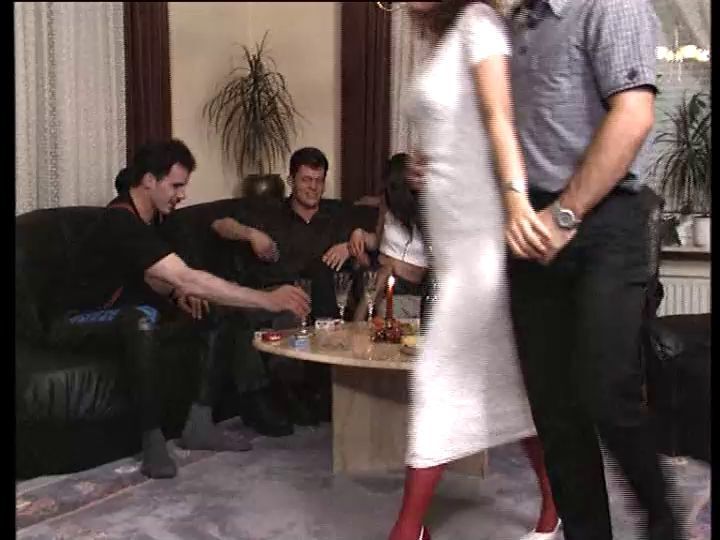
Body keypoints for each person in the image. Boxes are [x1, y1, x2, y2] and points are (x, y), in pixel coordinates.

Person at [507, 1, 683, 539]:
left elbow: (634, 115)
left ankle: (664, 527)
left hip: (605, 218)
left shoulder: (611, 4)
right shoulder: (519, 20)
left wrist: (566, 214)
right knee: (555, 412)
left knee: (606, 390)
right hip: (533, 225)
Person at [387, 2, 560, 540]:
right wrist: (429, 164)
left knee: (435, 376)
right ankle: (555, 504)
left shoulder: (480, 23)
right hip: (453, 244)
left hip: (483, 240)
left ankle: (407, 530)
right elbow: (459, 130)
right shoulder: (446, 38)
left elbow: (502, 120)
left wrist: (515, 202)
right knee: (508, 387)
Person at [48, 139, 309, 479]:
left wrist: (176, 293)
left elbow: (151, 274)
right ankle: (152, 442)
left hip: (119, 313)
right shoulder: (119, 220)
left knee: (216, 310)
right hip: (71, 320)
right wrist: (269, 299)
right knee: (141, 320)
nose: (182, 195)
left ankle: (199, 424)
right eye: (176, 186)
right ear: (148, 181)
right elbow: (185, 276)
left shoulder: (154, 219)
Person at [211, 147, 373, 428]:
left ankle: (316, 395)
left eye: (318, 181)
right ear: (291, 181)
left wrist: (349, 247)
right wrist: (250, 234)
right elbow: (219, 224)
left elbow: (366, 259)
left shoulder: (336, 215)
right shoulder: (269, 212)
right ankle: (278, 398)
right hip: (273, 295)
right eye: (306, 180)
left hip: (320, 300)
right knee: (271, 317)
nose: (313, 187)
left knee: (317, 286)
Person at [349, 153, 428, 320]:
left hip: (408, 284)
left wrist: (395, 265)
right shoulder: (387, 203)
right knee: (381, 273)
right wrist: (360, 234)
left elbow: (428, 268)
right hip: (378, 272)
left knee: (386, 271)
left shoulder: (427, 210)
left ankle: (358, 320)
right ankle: (360, 320)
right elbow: (378, 241)